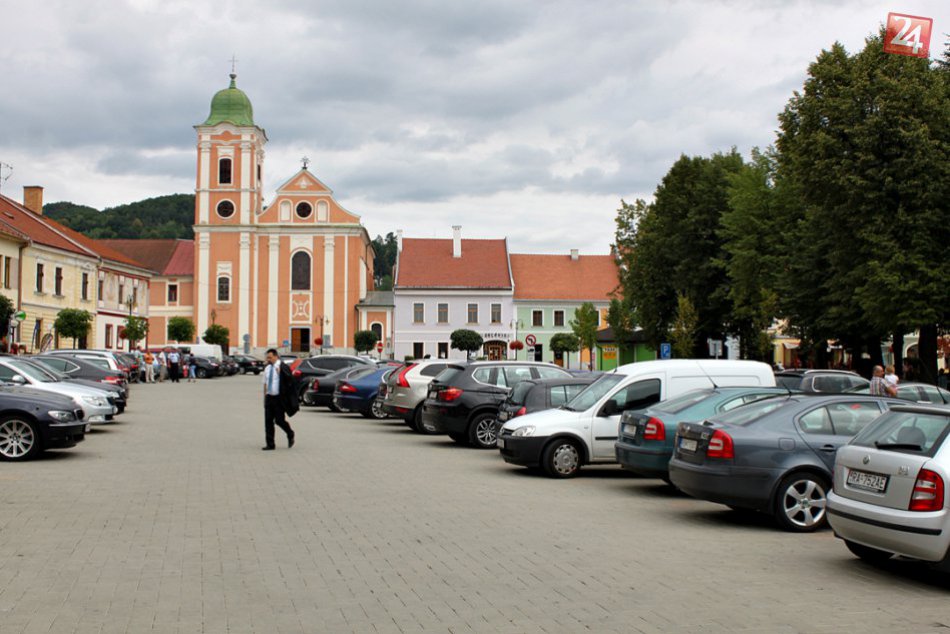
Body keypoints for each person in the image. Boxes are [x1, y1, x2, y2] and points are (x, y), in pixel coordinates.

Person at [261, 348, 298, 450]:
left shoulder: (283, 367)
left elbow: (291, 381)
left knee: (279, 420)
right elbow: (265, 383)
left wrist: (281, 373)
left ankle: (290, 433)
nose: (268, 359)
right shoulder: (267, 368)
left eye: (270, 358)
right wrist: (264, 398)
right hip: (269, 397)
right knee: (268, 421)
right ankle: (270, 444)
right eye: (267, 358)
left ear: (276, 356)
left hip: (279, 399)